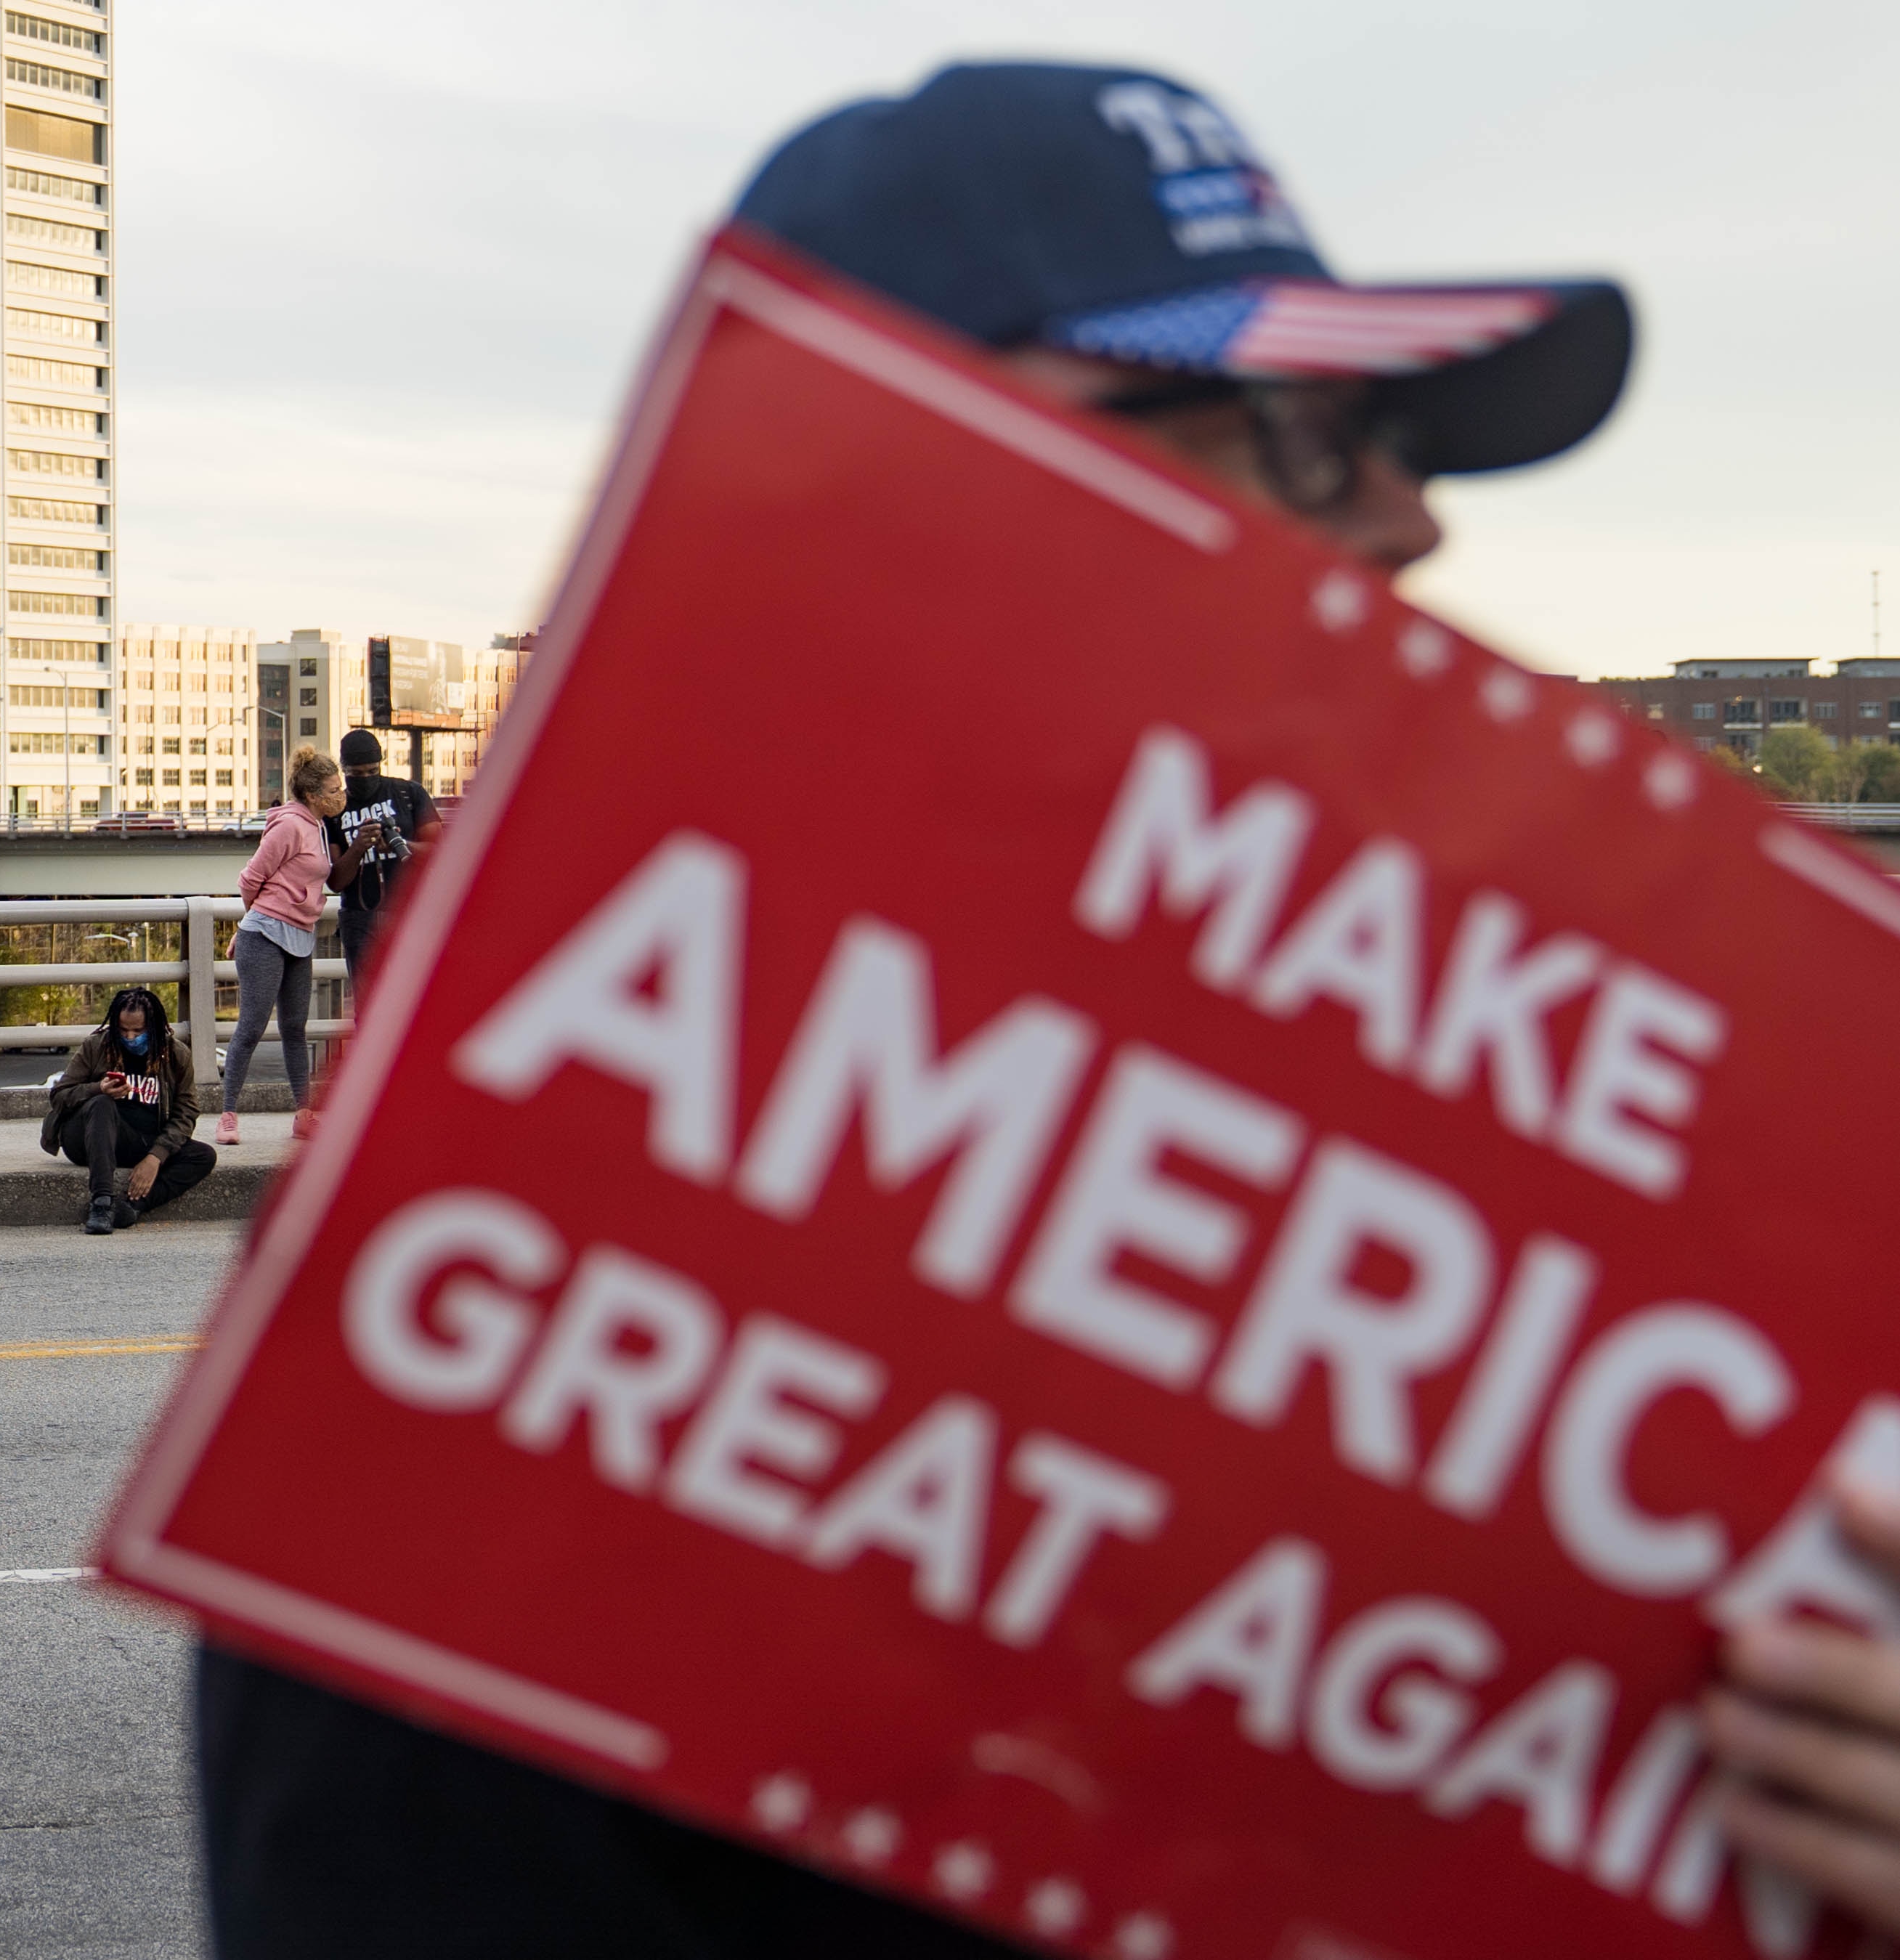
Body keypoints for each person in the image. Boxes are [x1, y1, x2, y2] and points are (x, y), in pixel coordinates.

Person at [193, 57, 1900, 1959]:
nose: (1416, 522)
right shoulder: (514, 1345)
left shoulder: (1530, 1242)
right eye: (1301, 428)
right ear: (923, 480)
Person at [216, 749, 343, 1148]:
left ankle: (304, 1115)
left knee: (294, 1028)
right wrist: (253, 922)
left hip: (300, 936)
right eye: (333, 790)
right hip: (267, 934)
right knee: (251, 1027)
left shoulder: (319, 825)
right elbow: (250, 878)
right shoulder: (289, 826)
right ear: (311, 793)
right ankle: (228, 1115)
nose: (340, 795)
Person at [42, 985, 217, 1234]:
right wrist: (97, 1089)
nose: (131, 1037)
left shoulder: (177, 1054)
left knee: (203, 1155)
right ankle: (101, 1203)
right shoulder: (97, 1046)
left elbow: (186, 1112)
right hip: (89, 1138)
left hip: (139, 1140)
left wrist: (156, 1156)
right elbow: (59, 1096)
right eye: (124, 1030)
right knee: (103, 1104)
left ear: (154, 1026)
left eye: (139, 1030)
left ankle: (132, 1207)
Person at [323, 728, 443, 996]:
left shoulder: (408, 794)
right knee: (367, 1005)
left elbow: (440, 850)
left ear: (381, 763)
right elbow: (336, 880)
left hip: (409, 912)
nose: (365, 779)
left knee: (417, 998)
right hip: (359, 918)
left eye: (371, 771)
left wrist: (402, 845)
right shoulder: (334, 808)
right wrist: (359, 846)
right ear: (344, 769)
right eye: (356, 773)